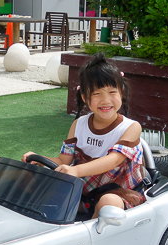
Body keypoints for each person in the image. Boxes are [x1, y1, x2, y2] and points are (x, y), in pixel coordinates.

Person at [22, 53, 146, 218]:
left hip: (120, 194)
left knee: (108, 202)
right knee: (32, 178)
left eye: (112, 92)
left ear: (121, 93)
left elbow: (114, 160)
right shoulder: (78, 124)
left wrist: (76, 171)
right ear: (84, 97)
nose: (105, 100)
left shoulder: (131, 127)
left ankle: (90, 239)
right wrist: (38, 158)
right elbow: (63, 161)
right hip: (83, 194)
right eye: (96, 94)